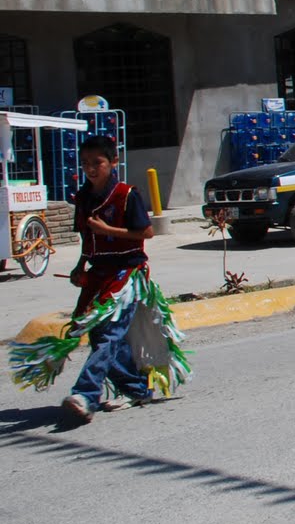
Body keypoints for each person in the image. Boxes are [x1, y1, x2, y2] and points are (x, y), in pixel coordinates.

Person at [10, 136, 190, 422]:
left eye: (98, 163)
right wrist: (80, 266)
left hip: (127, 275)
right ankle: (135, 387)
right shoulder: (83, 198)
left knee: (109, 334)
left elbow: (146, 234)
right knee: (98, 336)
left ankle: (86, 394)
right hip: (98, 274)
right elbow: (88, 238)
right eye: (86, 164)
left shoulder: (126, 194)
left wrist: (109, 229)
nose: (91, 169)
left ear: (113, 162)